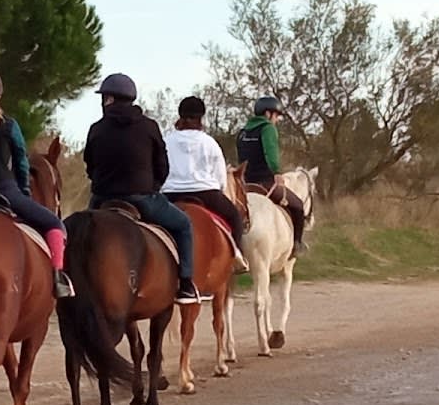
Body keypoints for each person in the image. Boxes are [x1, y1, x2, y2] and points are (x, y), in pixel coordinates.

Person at [0, 68, 74, 299]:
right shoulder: (10, 126)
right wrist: (24, 192)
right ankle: (58, 278)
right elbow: (21, 161)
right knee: (54, 225)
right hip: (6, 191)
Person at [83, 73, 201, 304]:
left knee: (78, 233)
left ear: (109, 99)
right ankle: (186, 283)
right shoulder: (149, 126)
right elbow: (162, 166)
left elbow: (90, 165)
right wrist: (152, 188)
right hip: (143, 199)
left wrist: (101, 185)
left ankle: (68, 278)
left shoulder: (96, 129)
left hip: (102, 199)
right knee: (184, 225)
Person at [161, 96, 249, 273]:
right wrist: (220, 190)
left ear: (180, 115)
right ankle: (236, 255)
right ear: (201, 118)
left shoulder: (166, 141)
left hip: (170, 194)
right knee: (234, 217)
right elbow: (220, 178)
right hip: (206, 193)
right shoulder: (209, 142)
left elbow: (159, 169)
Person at [236, 95, 308, 258]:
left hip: (244, 185)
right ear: (268, 114)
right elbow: (271, 152)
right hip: (265, 183)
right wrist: (276, 172)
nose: (277, 120)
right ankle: (297, 244)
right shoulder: (268, 128)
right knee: (297, 206)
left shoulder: (242, 132)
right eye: (276, 115)